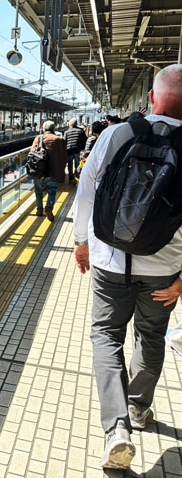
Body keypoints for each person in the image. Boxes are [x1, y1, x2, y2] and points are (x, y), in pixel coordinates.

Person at [73, 64, 182, 470]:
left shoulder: (117, 134)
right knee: (151, 337)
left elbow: (86, 189)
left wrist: (81, 242)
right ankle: (138, 408)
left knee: (105, 335)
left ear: (151, 98)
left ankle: (117, 429)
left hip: (110, 262)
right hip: (165, 271)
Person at [31, 120, 67, 221]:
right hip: (53, 172)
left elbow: (32, 153)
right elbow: (64, 157)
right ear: (54, 129)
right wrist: (61, 170)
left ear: (43, 129)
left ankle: (39, 210)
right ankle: (49, 207)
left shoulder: (38, 138)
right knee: (52, 191)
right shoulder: (60, 140)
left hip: (39, 171)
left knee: (38, 191)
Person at [64, 118, 87, 182]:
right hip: (77, 150)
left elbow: (64, 142)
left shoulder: (66, 132)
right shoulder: (80, 131)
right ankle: (77, 177)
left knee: (70, 164)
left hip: (69, 151)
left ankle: (71, 178)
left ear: (70, 124)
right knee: (77, 164)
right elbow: (85, 140)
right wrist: (83, 148)